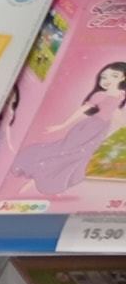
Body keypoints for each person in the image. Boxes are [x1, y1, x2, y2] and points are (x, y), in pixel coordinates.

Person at [11, 61, 126, 198]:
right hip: (88, 128)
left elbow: (116, 112)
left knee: (80, 156)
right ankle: (38, 179)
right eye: (104, 77)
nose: (107, 80)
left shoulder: (121, 94)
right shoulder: (100, 95)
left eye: (114, 76)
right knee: (66, 152)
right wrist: (63, 125)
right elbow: (82, 110)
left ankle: (56, 181)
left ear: (123, 77)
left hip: (100, 130)